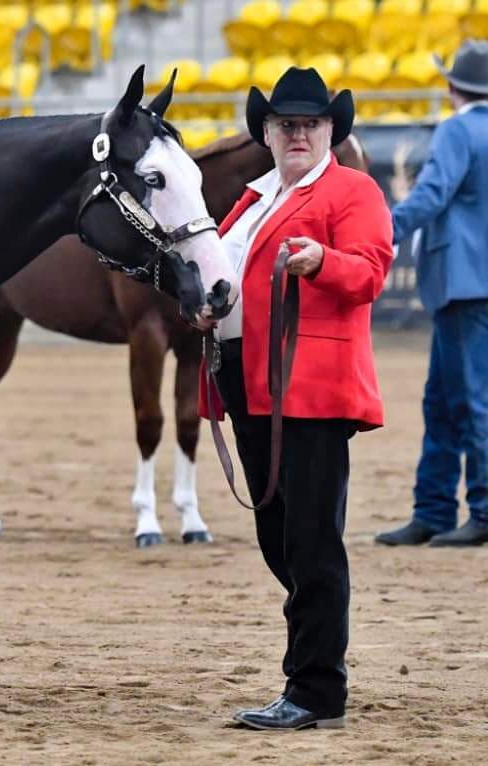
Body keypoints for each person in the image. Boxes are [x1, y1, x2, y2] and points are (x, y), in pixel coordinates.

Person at [197, 67, 394, 730]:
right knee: (279, 537)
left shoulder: (352, 190)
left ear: (332, 130)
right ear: (268, 133)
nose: (298, 133)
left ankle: (314, 689)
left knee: (309, 540)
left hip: (309, 386)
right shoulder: (253, 199)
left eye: (310, 123)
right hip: (250, 383)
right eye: (286, 123)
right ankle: (320, 649)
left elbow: (370, 271)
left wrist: (322, 263)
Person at [374, 40, 488, 548]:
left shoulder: (457, 130)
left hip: (464, 281)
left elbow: (432, 193)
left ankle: (476, 510)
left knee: (466, 400)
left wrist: (382, 228)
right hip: (471, 283)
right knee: (446, 398)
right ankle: (436, 507)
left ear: (451, 87)